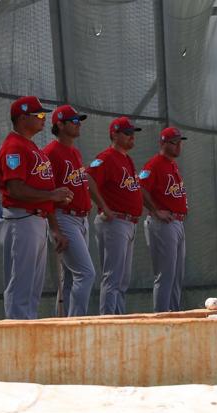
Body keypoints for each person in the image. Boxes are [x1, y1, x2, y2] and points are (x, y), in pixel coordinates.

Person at [0, 96, 71, 319]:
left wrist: (54, 214)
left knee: (32, 289)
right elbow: (15, 189)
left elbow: (39, 187)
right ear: (22, 118)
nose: (43, 118)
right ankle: (15, 335)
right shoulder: (14, 147)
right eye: (38, 114)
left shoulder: (31, 146)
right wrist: (52, 195)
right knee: (21, 286)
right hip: (21, 219)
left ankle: (27, 333)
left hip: (37, 219)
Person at [43, 105, 111, 316]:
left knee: (72, 277)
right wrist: (55, 228)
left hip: (81, 219)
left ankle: (63, 324)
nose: (78, 124)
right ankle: (75, 323)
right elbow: (46, 193)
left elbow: (85, 181)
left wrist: (101, 204)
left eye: (78, 120)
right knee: (86, 273)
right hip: (64, 218)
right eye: (74, 121)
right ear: (60, 125)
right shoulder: (50, 153)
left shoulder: (74, 152)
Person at [89, 117, 144, 315]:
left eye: (133, 133)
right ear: (114, 134)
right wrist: (104, 206)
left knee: (122, 280)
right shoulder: (106, 157)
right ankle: (107, 321)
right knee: (112, 277)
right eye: (127, 133)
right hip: (115, 222)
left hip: (128, 222)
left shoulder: (127, 159)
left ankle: (118, 319)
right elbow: (88, 179)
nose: (132, 136)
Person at [140, 127, 189, 312]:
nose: (178, 146)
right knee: (165, 274)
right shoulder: (154, 164)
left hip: (177, 222)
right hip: (163, 223)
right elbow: (140, 188)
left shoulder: (172, 165)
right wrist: (155, 210)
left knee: (176, 275)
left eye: (180, 142)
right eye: (174, 142)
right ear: (163, 143)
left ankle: (174, 314)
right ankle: (161, 316)